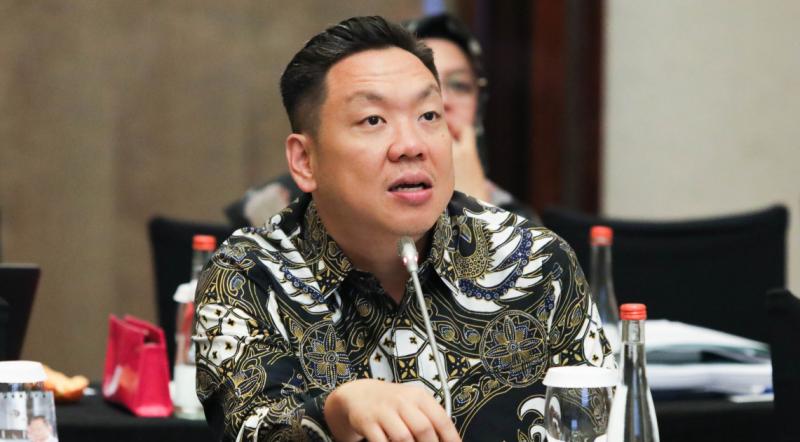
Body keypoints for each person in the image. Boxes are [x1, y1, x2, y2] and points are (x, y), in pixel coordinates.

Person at [195, 16, 611, 441]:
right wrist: (333, 414)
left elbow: (602, 424)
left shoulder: (535, 263)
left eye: (429, 115)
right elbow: (252, 427)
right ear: (305, 161)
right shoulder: (250, 275)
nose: (412, 145)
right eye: (373, 120)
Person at [224, 13, 540, 229]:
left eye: (458, 86)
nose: (446, 100)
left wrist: (472, 209)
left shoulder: (523, 232)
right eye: (374, 119)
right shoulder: (281, 209)